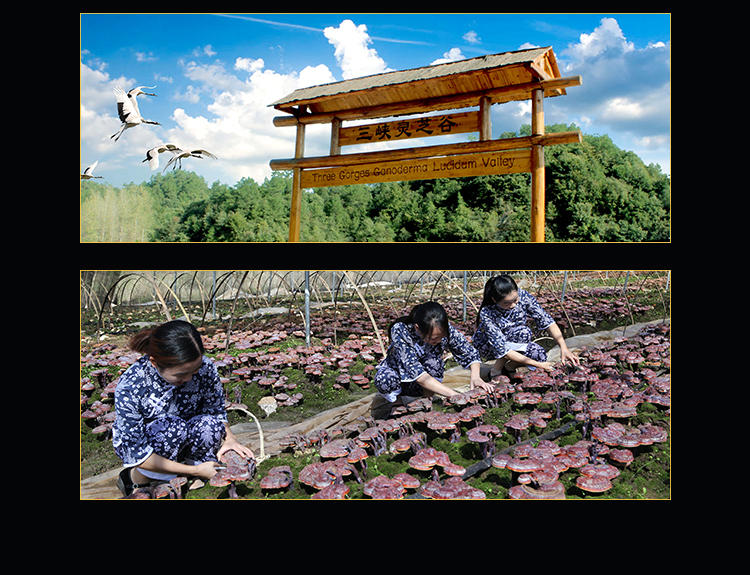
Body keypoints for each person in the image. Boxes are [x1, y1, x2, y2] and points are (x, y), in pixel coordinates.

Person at [112, 319, 254, 496]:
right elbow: (137, 451)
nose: (188, 379)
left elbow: (215, 410)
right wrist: (194, 470)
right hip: (154, 446)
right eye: (180, 375)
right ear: (155, 363)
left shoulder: (206, 367)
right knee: (171, 429)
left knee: (209, 424)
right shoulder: (132, 385)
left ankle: (191, 470)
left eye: (193, 372)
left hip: (187, 431)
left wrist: (230, 439)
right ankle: (137, 478)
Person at [372, 301, 493, 419]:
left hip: (426, 383)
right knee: (384, 378)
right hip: (400, 380)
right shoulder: (401, 330)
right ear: (417, 328)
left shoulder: (444, 329)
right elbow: (418, 374)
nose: (439, 341)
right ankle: (397, 404)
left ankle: (426, 400)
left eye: (442, 337)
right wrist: (455, 395)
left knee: (433, 363)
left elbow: (469, 351)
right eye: (434, 339)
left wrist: (476, 377)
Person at [473, 275, 579, 377]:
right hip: (489, 346)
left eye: (515, 300)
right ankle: (495, 371)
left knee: (539, 355)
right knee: (523, 333)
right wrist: (540, 366)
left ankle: (509, 367)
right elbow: (502, 348)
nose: (513, 305)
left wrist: (563, 348)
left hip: (513, 340)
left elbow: (547, 321)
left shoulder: (523, 296)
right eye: (507, 303)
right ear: (494, 300)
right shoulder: (487, 313)